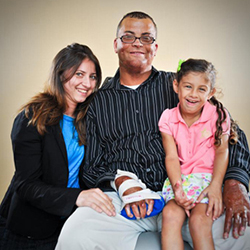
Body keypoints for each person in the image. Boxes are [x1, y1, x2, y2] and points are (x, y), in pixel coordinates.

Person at [56, 12, 250, 250]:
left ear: (155, 47)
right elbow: (92, 167)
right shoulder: (98, 102)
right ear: (116, 44)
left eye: (146, 38)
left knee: (243, 232)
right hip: (127, 200)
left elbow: (230, 133)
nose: (138, 43)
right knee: (75, 234)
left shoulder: (182, 86)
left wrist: (235, 183)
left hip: (190, 193)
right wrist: (125, 183)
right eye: (129, 36)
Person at [0, 43, 115, 250]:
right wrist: (77, 196)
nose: (87, 83)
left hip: (70, 226)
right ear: (61, 74)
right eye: (79, 74)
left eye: (93, 76)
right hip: (30, 232)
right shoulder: (32, 118)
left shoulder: (89, 119)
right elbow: (26, 185)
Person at [159, 59, 238, 250]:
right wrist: (177, 188)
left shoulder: (218, 116)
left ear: (210, 92)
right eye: (188, 87)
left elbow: (222, 151)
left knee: (199, 221)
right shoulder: (168, 117)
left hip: (206, 181)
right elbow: (171, 156)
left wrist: (215, 187)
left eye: (201, 89)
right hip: (180, 180)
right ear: (176, 86)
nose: (193, 95)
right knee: (169, 216)